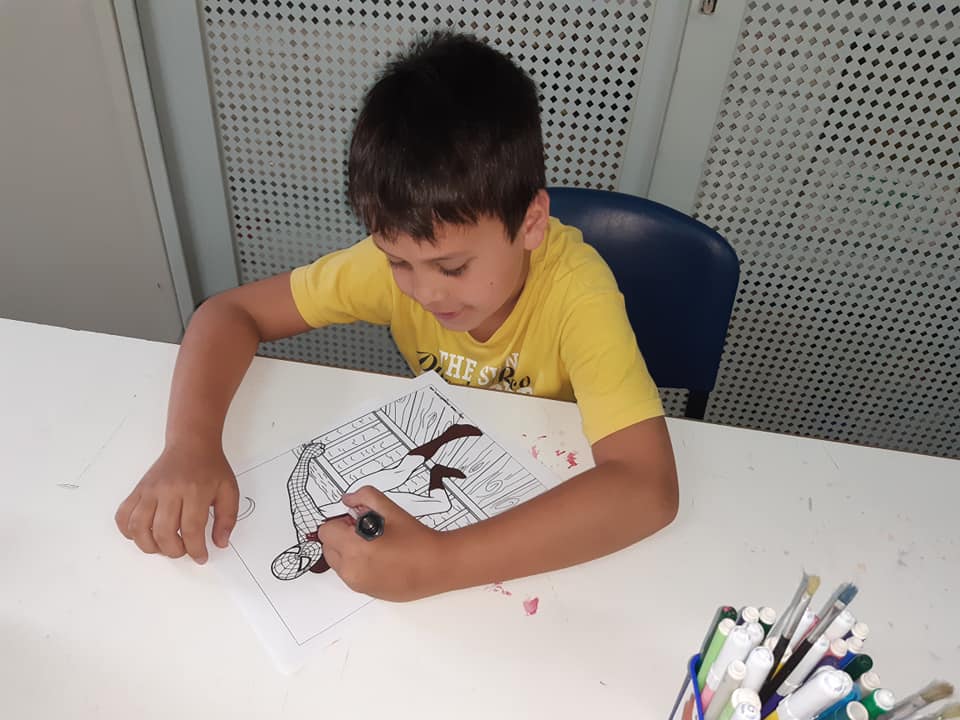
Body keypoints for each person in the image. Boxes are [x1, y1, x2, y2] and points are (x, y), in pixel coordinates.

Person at [115, 31, 679, 601]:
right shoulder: (390, 270)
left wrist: (440, 564)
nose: (425, 292)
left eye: (452, 267)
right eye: (398, 261)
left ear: (531, 223)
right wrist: (190, 444)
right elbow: (229, 313)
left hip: (554, 499)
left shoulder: (579, 294)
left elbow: (647, 489)